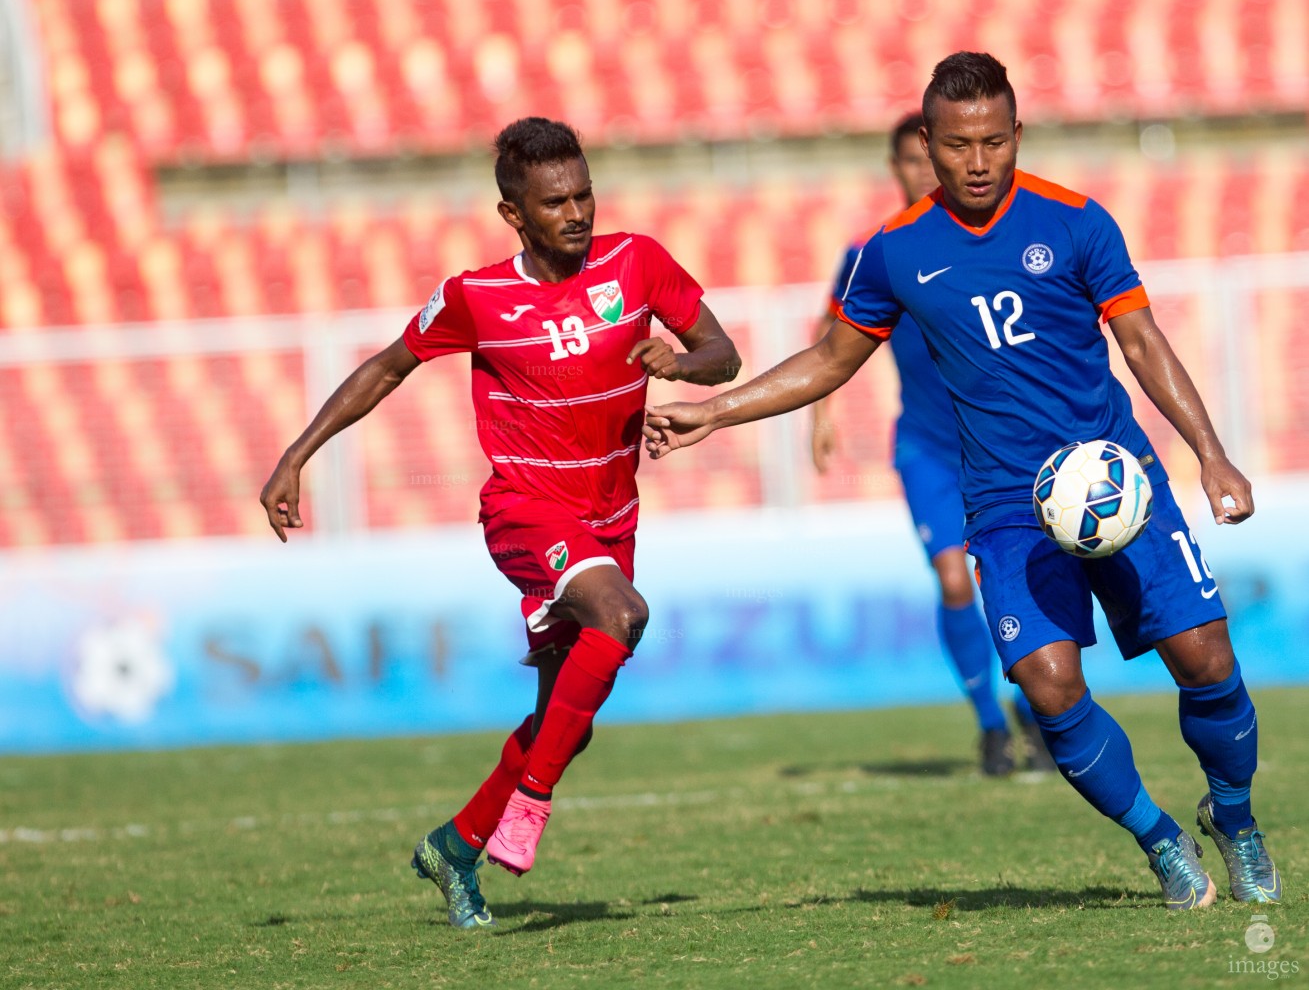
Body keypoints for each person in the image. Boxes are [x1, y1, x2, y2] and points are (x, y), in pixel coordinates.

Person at [645, 53, 1280, 910]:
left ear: (1015, 134)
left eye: (992, 142)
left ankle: (1234, 821)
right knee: (1051, 688)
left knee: (1205, 659)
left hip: (1116, 482)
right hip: (1007, 507)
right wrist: (714, 412)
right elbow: (830, 361)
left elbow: (1141, 341)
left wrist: (1208, 452)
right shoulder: (893, 252)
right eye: (955, 146)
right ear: (927, 146)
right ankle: (1162, 842)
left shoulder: (1078, 221)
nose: (976, 163)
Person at [260, 117, 740, 929]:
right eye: (554, 202)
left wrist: (682, 363)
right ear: (513, 213)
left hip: (610, 514)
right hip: (525, 509)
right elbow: (384, 366)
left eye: (584, 193)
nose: (577, 213)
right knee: (623, 615)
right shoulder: (476, 296)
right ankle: (530, 806)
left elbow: (720, 353)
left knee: (566, 722)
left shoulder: (638, 262)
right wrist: (296, 455)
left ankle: (453, 846)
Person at [812, 112, 1052, 777]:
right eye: (910, 164)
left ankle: (1037, 711)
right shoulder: (877, 251)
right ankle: (989, 728)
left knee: (1012, 582)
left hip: (1002, 449)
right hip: (926, 448)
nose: (921, 174)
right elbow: (830, 329)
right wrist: (820, 412)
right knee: (953, 578)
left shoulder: (988, 239)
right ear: (900, 166)